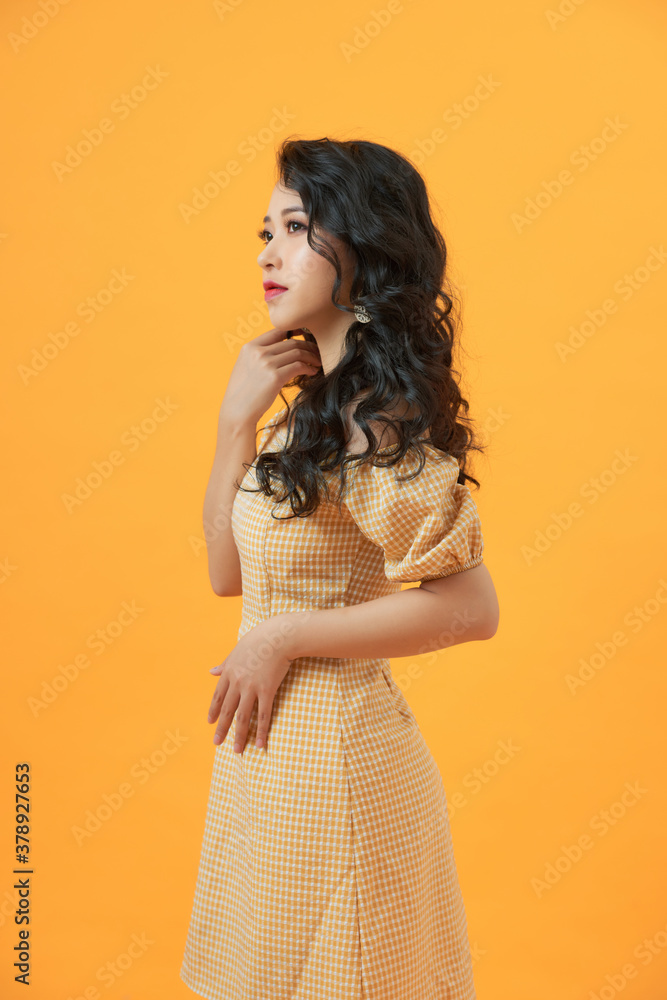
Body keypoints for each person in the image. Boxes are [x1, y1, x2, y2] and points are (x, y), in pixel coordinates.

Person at [180, 136, 499, 1000]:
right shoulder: (310, 406)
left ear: (359, 246)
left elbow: (469, 607)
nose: (267, 252)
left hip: (339, 776)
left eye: (296, 227)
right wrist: (233, 425)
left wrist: (282, 638)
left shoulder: (372, 415)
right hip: (272, 768)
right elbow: (225, 575)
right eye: (266, 229)